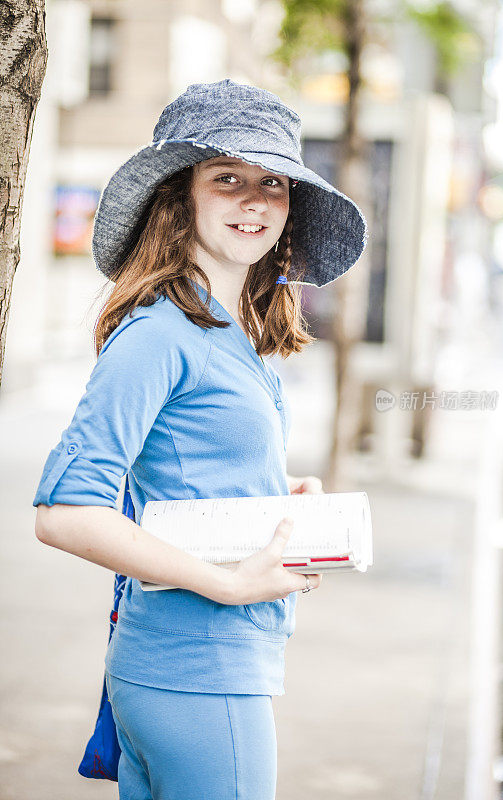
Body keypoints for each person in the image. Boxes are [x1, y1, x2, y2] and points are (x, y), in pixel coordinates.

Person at [32, 79, 367, 800]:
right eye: (227, 179)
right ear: (180, 198)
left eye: (271, 183)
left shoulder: (222, 329)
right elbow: (64, 513)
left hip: (197, 668)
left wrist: (276, 500)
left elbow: (181, 477)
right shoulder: (159, 334)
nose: (253, 199)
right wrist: (228, 583)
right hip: (196, 671)